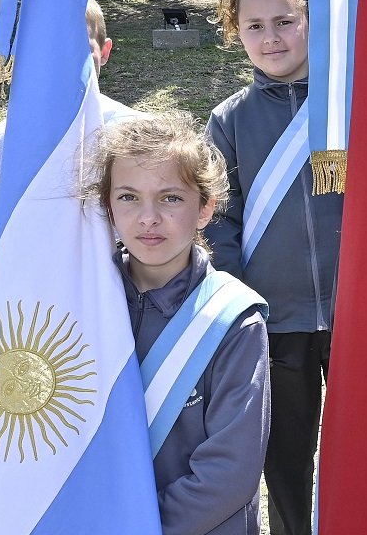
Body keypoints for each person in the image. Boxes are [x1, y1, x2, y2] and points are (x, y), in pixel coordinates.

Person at [200, 0, 340, 535]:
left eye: (285, 21)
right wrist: (244, 306)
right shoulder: (229, 121)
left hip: (355, 313)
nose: (271, 37)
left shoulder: (346, 107)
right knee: (285, 456)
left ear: (312, 20)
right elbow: (218, 225)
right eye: (254, 26)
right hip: (275, 321)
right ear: (236, 33)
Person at [88, 113, 269, 535]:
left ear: (205, 209)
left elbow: (229, 471)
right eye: (129, 197)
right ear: (108, 207)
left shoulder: (233, 320)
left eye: (170, 198)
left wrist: (137, 526)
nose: (148, 217)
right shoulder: (87, 306)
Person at [0, 0, 135, 270]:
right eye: (48, 48)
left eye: (81, 49)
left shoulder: (142, 137)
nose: (66, 62)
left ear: (105, 51)